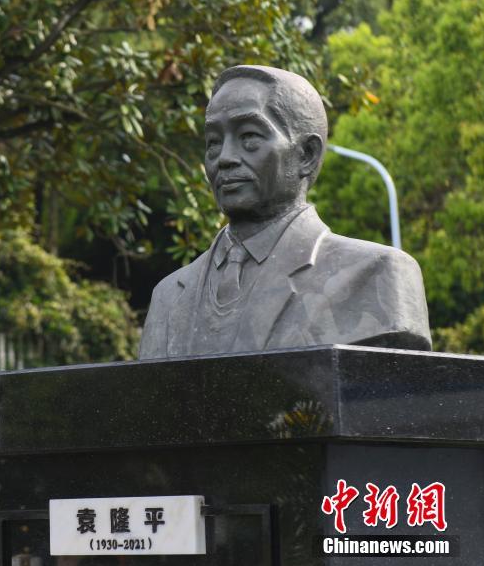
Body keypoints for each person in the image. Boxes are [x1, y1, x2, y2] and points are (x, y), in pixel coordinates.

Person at [139, 65, 431, 359]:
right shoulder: (168, 297)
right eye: (213, 142)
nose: (224, 158)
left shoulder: (376, 274)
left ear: (306, 155)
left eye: (249, 137)